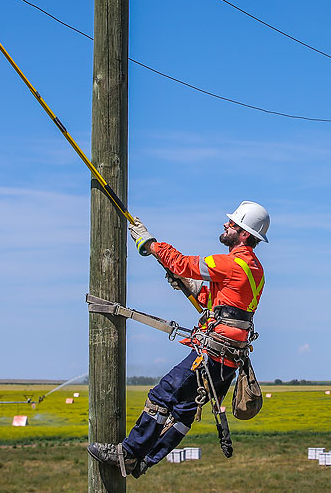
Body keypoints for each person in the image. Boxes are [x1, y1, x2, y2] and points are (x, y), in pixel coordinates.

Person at [87, 201, 270, 478]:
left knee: (162, 396)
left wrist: (149, 243)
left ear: (244, 234)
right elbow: (223, 303)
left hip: (213, 353)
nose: (225, 225)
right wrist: (190, 286)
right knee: (183, 410)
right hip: (228, 360)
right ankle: (147, 458)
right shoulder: (254, 269)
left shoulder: (232, 263)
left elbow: (182, 263)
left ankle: (128, 453)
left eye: (232, 224)